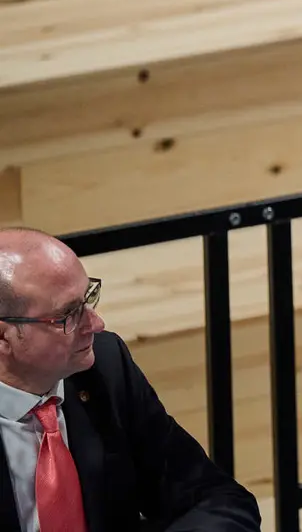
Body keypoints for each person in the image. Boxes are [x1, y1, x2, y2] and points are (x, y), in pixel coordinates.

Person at [0, 227, 260, 532]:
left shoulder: (104, 369)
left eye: (88, 298)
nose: (96, 324)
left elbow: (215, 499)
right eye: (68, 316)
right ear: (3, 336)